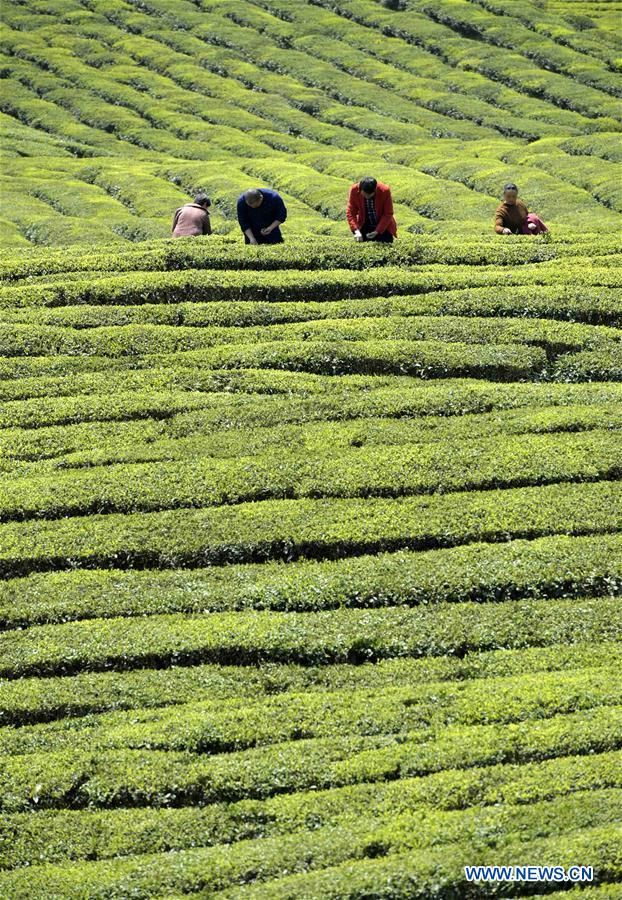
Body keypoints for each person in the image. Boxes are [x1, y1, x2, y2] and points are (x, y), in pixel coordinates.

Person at [347, 177, 397, 243]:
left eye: (370, 195)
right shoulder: (354, 190)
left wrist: (377, 231)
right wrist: (356, 230)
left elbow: (388, 213)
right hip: (364, 224)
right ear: (360, 190)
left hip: (383, 226)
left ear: (375, 190)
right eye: (365, 195)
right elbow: (351, 212)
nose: (367, 197)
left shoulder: (384, 190)